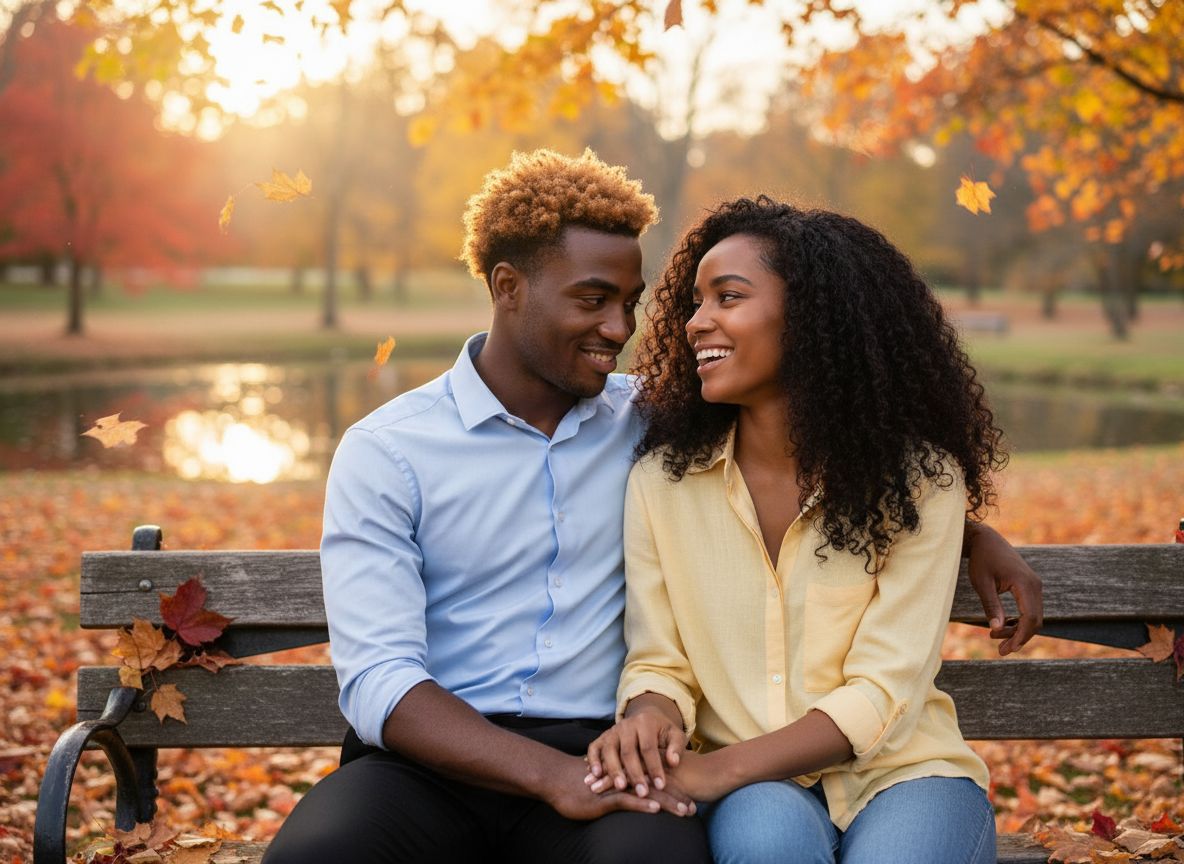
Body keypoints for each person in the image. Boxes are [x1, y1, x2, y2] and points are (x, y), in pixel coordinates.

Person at [264, 155, 1040, 863]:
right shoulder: (391, 451)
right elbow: (378, 679)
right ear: (508, 288)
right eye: (593, 300)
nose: (621, 331)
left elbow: (836, 463)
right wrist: (551, 776)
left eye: (631, 304)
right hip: (426, 765)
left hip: (606, 755)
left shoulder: (652, 423)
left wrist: (963, 531)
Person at [586, 196, 1012, 864]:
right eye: (695, 303)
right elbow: (659, 661)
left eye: (727, 297)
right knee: (765, 847)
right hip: (759, 789)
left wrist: (714, 772)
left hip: (904, 775)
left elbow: (881, 691)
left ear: (815, 318)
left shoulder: (923, 481)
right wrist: (648, 719)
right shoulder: (662, 483)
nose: (697, 322)